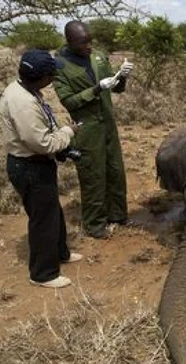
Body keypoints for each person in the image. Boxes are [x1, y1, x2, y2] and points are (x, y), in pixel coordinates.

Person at [0, 49, 83, 288]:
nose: (53, 78)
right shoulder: (23, 102)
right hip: (29, 166)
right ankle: (43, 273)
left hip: (36, 165)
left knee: (51, 211)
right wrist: (68, 132)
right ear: (42, 77)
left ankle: (60, 253)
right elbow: (42, 143)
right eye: (51, 74)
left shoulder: (25, 89)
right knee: (42, 219)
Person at [53, 20, 134, 239]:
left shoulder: (97, 56)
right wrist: (96, 89)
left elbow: (117, 88)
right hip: (87, 128)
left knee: (115, 171)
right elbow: (68, 101)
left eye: (89, 40)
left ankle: (117, 215)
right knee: (93, 175)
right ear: (69, 41)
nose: (88, 46)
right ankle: (95, 224)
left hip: (108, 123)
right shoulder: (60, 65)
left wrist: (122, 76)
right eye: (82, 43)